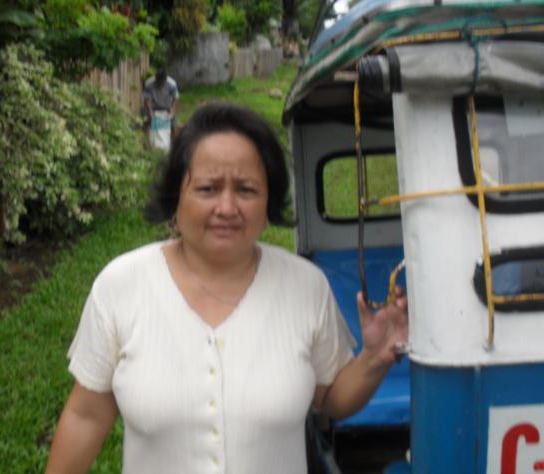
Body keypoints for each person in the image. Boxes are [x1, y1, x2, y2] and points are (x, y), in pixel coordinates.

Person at [45, 102, 408, 474]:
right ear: (176, 196)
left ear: (269, 200)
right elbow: (86, 416)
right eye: (208, 188)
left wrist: (374, 359)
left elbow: (330, 397)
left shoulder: (306, 286)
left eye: (247, 189)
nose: (227, 207)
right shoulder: (121, 286)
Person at [143, 67, 179, 132]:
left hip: (167, 107)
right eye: (158, 82)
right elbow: (147, 99)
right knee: (147, 124)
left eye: (162, 82)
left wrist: (172, 112)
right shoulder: (148, 83)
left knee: (173, 126)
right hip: (154, 107)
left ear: (165, 79)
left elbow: (175, 99)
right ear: (155, 78)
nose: (159, 84)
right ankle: (147, 137)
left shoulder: (172, 84)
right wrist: (150, 111)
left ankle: (173, 137)